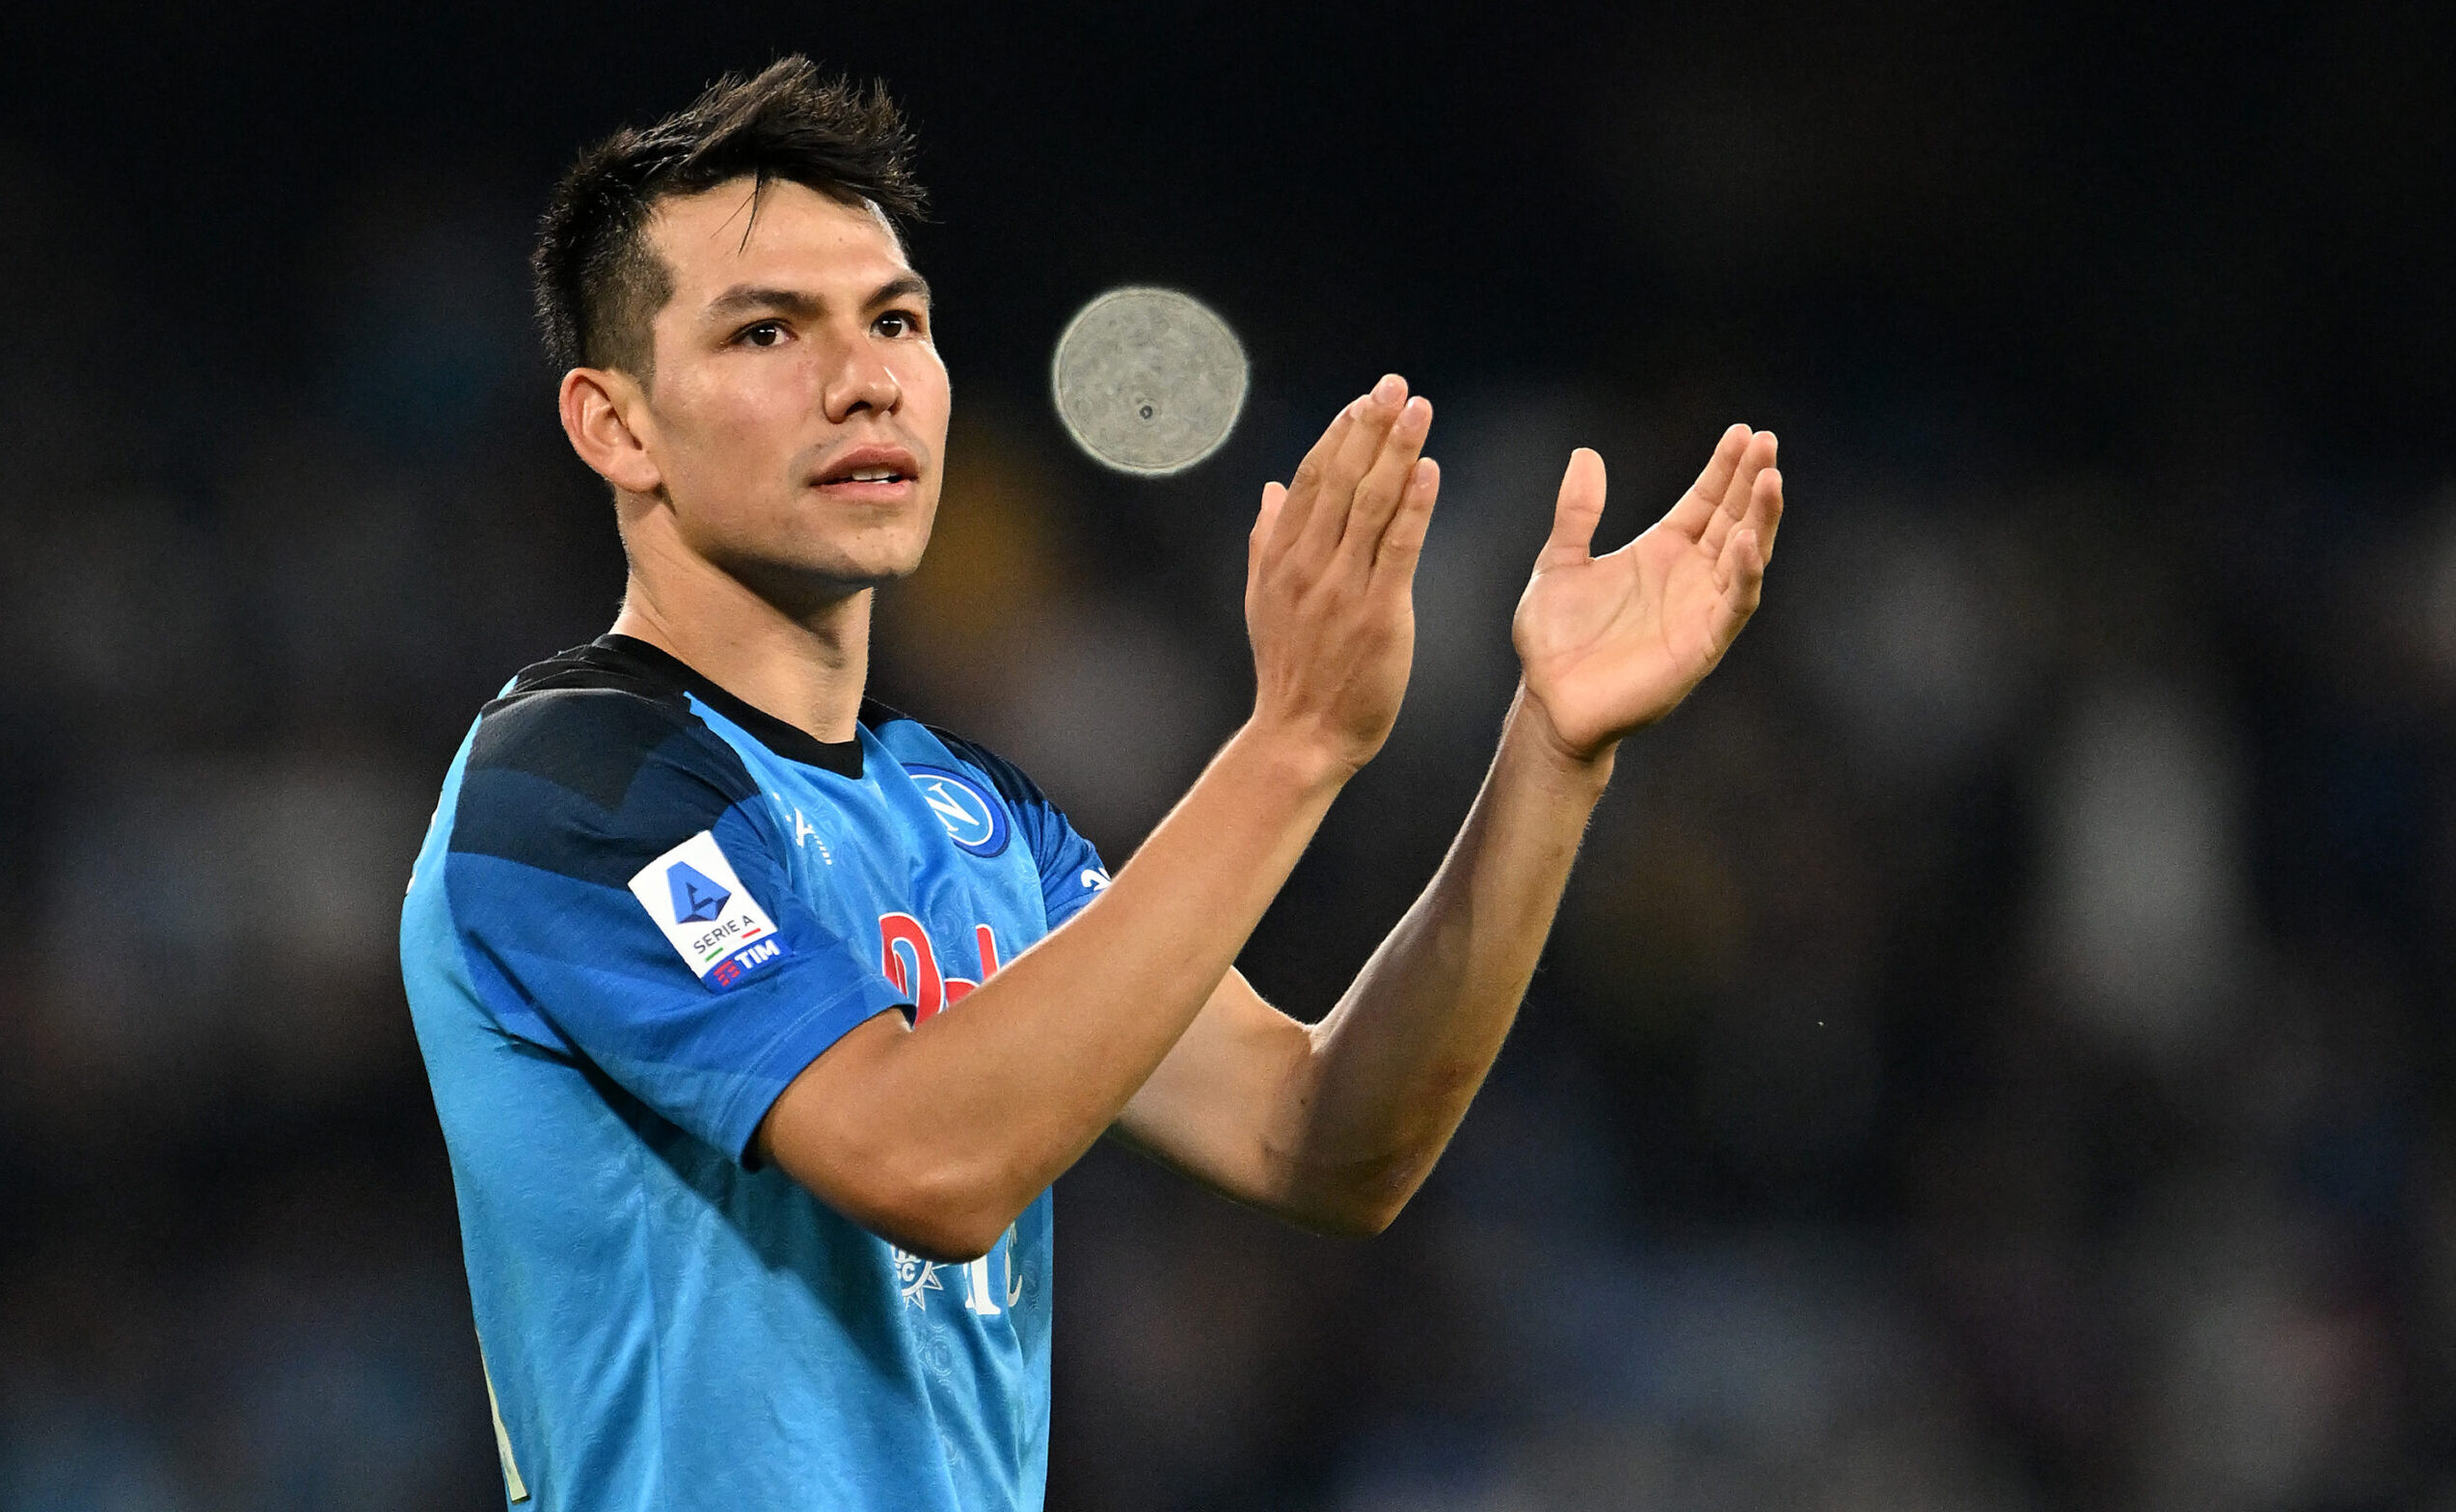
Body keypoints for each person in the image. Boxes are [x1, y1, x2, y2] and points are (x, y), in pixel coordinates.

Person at [400, 56, 1783, 1512]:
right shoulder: (570, 782)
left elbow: (1323, 1139)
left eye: (896, 321)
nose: (865, 379)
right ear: (614, 425)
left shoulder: (975, 816)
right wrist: (1292, 742)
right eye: (766, 331)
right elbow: (928, 1161)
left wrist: (1552, 754)